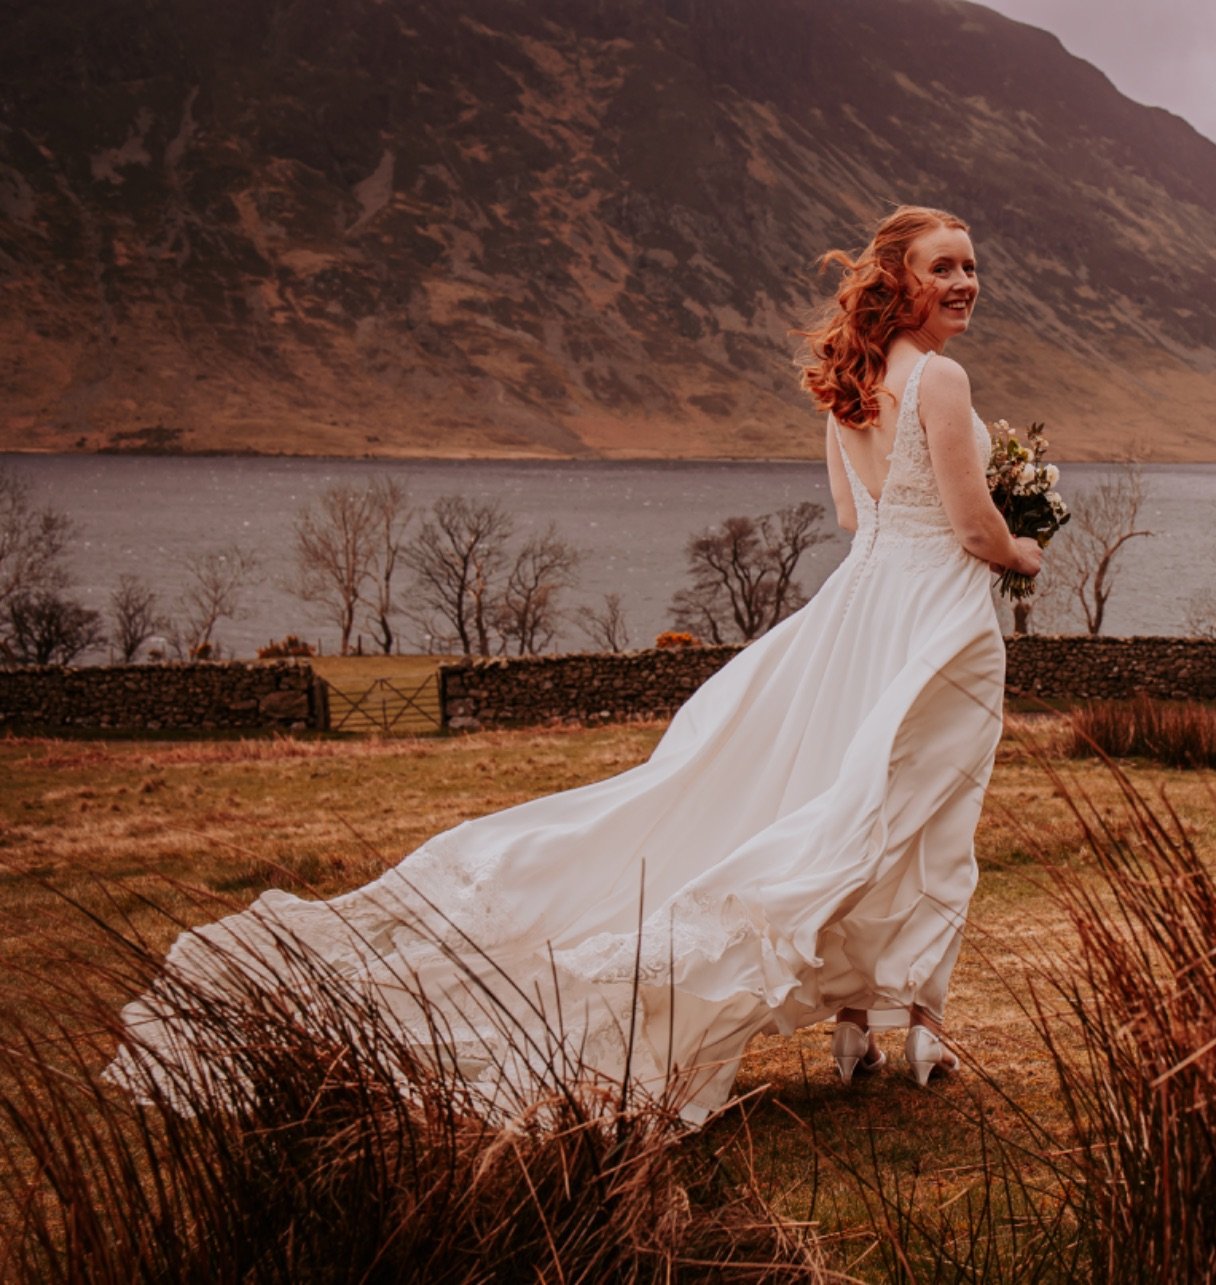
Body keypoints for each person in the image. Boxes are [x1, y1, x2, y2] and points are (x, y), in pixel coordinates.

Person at [108, 204, 1040, 1126]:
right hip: (932, 615)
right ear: (897, 280)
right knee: (922, 813)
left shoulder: (852, 383)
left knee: (847, 800)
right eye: (942, 266)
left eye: (969, 264)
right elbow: (967, 525)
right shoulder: (941, 381)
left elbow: (853, 517)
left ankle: (855, 1024)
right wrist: (1023, 549)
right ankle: (913, 1018)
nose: (963, 281)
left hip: (855, 612)